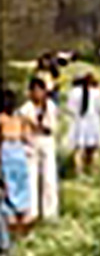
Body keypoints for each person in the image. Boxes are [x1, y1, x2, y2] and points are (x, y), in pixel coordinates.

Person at [17, 78, 59, 221]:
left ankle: (50, 212)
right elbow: (22, 128)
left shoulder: (50, 107)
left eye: (40, 90)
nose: (37, 94)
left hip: (46, 142)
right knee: (31, 178)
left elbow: (50, 128)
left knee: (49, 178)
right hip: (30, 143)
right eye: (34, 91)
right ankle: (32, 211)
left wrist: (35, 124)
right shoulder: (25, 109)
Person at [1, 89, 34, 235]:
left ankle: (13, 220)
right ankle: (22, 218)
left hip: (7, 151)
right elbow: (28, 136)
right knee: (20, 184)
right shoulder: (20, 118)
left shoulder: (2, 119)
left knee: (10, 184)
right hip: (18, 150)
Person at [65, 73, 100, 176]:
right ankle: (94, 172)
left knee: (78, 149)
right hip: (94, 121)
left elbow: (70, 109)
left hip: (79, 122)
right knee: (94, 149)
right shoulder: (96, 92)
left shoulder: (74, 92)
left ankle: (79, 172)